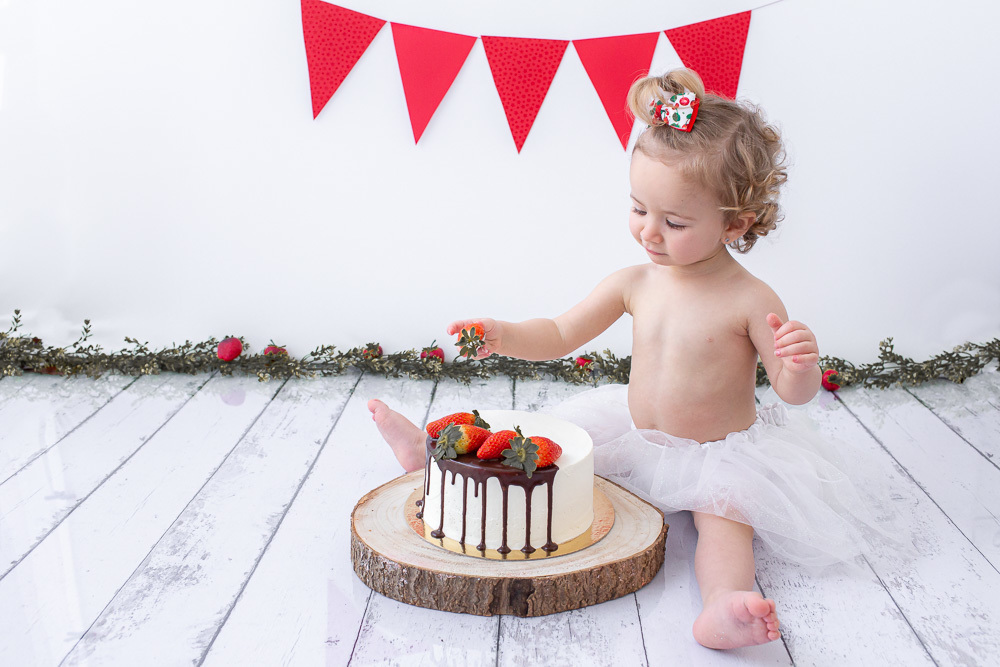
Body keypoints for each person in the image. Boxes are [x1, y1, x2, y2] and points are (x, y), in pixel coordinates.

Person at [368, 68, 893, 649]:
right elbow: (562, 332)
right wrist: (503, 333)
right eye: (639, 208)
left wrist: (798, 369)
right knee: (545, 448)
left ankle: (723, 604)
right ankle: (433, 453)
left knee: (725, 523)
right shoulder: (636, 282)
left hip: (719, 453)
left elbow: (793, 394)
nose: (649, 231)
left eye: (674, 221)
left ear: (736, 222)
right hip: (636, 431)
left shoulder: (750, 299)